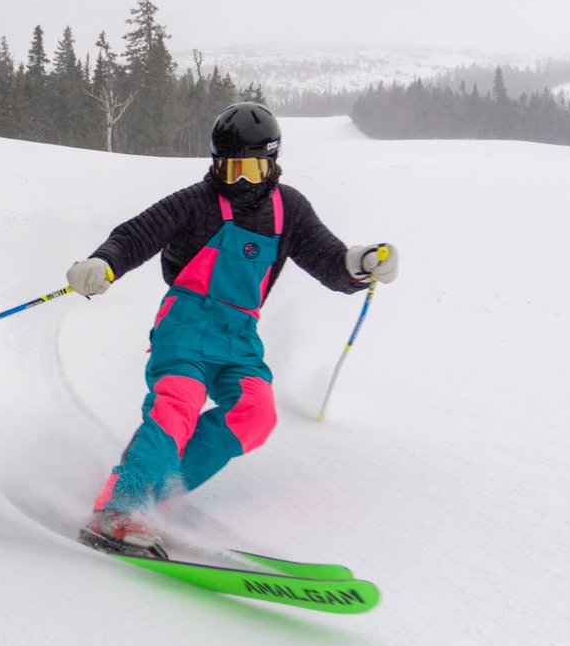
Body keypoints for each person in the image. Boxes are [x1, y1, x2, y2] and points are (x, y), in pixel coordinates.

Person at [67, 102, 399, 558]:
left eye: (252, 168)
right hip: (185, 326)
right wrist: (104, 262)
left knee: (255, 413)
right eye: (231, 168)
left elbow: (329, 260)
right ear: (215, 163)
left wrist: (359, 264)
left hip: (240, 335)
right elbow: (136, 234)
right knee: (177, 406)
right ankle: (118, 510)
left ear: (273, 163)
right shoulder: (197, 202)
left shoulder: (290, 210)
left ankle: (156, 490)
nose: (241, 180)